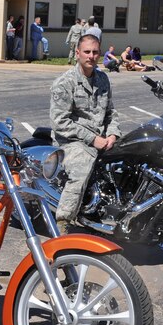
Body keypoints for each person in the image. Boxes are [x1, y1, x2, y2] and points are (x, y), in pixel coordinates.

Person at [50, 34, 120, 232]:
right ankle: (63, 223)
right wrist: (92, 138)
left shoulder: (103, 79)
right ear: (77, 53)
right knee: (81, 167)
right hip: (71, 141)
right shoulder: (65, 83)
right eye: (87, 52)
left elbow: (111, 112)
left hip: (100, 138)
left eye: (95, 52)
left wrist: (113, 134)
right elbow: (60, 122)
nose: (91, 56)